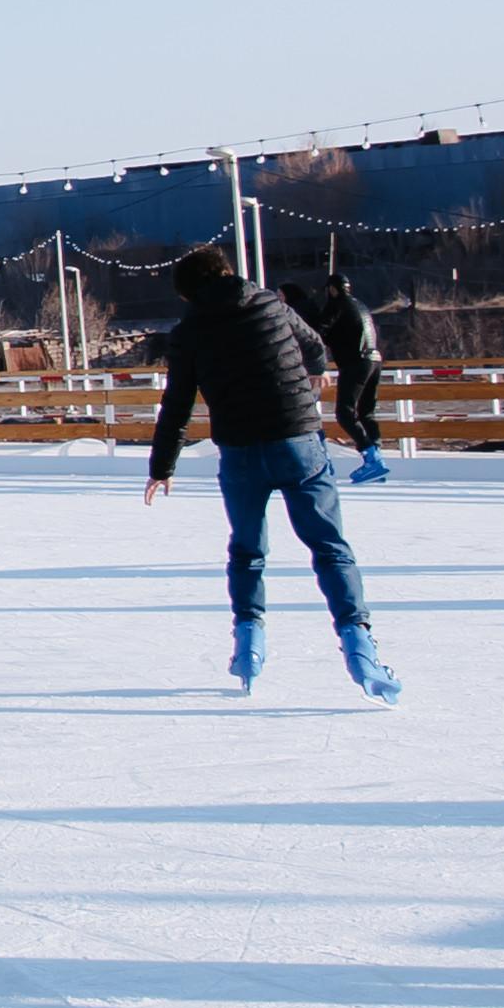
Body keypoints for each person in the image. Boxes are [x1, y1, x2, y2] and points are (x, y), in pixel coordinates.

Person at [148, 244, 400, 701]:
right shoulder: (269, 303)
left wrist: (163, 466)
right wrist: (316, 374)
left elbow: (177, 403)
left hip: (242, 451)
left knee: (247, 551)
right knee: (330, 548)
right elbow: (314, 346)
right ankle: (360, 646)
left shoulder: (188, 332)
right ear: (227, 271)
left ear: (187, 295)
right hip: (298, 440)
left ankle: (248, 645)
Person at [282, 267, 389, 483]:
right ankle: (377, 459)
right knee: (366, 412)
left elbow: (319, 332)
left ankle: (372, 458)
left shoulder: (338, 305)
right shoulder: (360, 305)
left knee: (345, 413)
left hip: (356, 362)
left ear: (331, 289)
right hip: (375, 359)